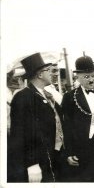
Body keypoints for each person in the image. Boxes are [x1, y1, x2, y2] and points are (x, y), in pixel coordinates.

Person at [61, 56, 94, 182]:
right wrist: (69, 152)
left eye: (93, 76)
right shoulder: (69, 98)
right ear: (78, 77)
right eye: (86, 77)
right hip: (83, 150)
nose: (91, 80)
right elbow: (67, 127)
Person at [8, 53, 56, 182]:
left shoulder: (44, 94)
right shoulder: (23, 97)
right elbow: (20, 133)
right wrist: (32, 163)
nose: (52, 73)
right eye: (48, 70)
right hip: (37, 162)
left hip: (48, 158)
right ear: (40, 74)